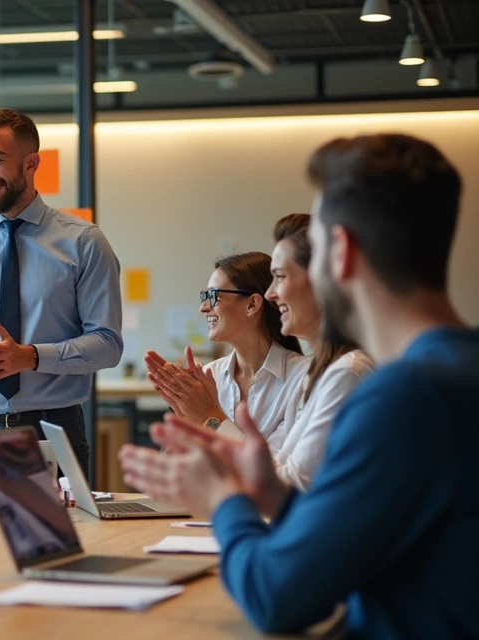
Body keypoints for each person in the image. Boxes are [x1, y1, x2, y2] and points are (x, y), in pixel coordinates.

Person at [120, 134, 478, 637]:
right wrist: (272, 494)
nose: (271, 293)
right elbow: (349, 538)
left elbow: (275, 598)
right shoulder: (453, 371)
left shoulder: (405, 395)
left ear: (342, 253)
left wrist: (224, 499)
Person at [0, 107, 123, 489]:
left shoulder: (84, 243)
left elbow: (107, 345)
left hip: (54, 429)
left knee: (57, 531)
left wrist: (29, 357)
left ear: (31, 163)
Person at [260, 214, 373, 489]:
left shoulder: (349, 372)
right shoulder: (317, 371)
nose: (269, 294)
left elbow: (296, 486)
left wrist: (213, 425)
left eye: (280, 277)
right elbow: (280, 465)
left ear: (323, 283)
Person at [145, 252, 308, 441]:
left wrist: (210, 417)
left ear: (252, 304)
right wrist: (186, 431)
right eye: (205, 296)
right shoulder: (209, 377)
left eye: (214, 295)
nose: (203, 308)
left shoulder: (305, 378)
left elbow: (278, 460)